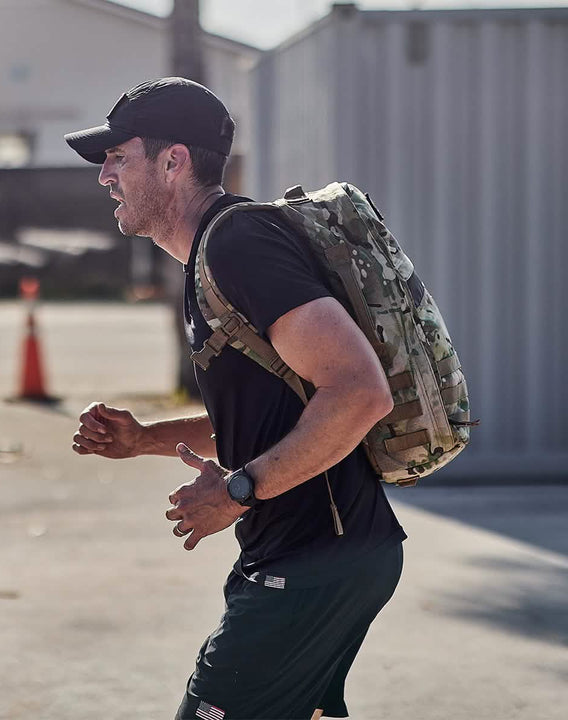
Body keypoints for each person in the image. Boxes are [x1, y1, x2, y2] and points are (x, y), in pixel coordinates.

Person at [67, 77, 406, 720]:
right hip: (317, 556)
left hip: (312, 561)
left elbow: (359, 391)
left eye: (119, 156)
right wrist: (145, 439)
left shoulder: (237, 245)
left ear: (174, 161)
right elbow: (274, 416)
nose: (105, 174)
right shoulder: (212, 257)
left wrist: (237, 491)